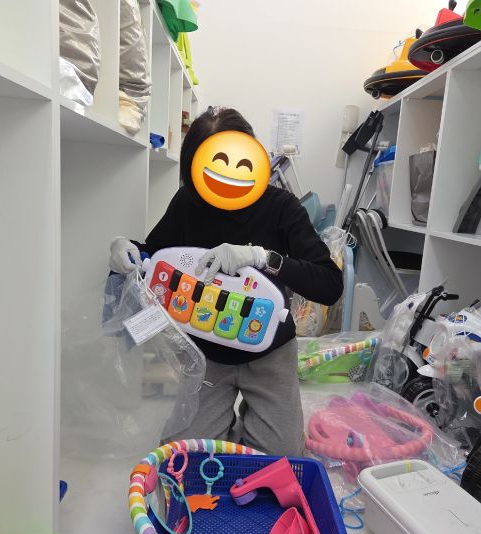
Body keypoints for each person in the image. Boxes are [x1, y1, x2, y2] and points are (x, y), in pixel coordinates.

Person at [109, 107, 342, 456]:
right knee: (187, 458)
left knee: (280, 459)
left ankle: (253, 424)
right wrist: (124, 249)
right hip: (207, 350)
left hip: (269, 350)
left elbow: (329, 284)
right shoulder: (189, 203)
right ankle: (229, 428)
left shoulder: (281, 207)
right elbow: (154, 254)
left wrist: (263, 258)